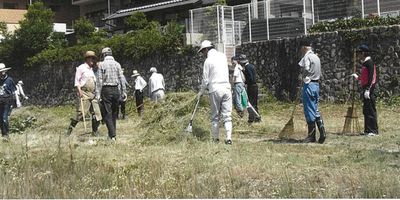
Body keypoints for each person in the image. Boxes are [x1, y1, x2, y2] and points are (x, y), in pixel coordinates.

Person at [197, 40, 233, 145]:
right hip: (226, 88)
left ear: (206, 49)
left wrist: (201, 91)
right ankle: (228, 138)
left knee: (215, 115)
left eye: (203, 52)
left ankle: (216, 139)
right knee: (227, 115)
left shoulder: (208, 61)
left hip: (215, 89)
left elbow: (205, 80)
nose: (203, 54)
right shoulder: (223, 56)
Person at [65, 51, 103, 137]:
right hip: (84, 93)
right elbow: (77, 81)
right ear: (86, 59)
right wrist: (79, 92)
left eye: (93, 58)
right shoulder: (81, 68)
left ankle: (95, 132)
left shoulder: (91, 70)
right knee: (81, 114)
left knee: (96, 113)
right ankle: (69, 131)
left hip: (93, 94)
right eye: (91, 58)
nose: (92, 60)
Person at [95, 47, 127, 141]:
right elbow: (121, 78)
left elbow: (99, 80)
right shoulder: (117, 64)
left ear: (104, 55)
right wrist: (123, 92)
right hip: (115, 89)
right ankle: (111, 134)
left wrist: (98, 93)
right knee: (114, 113)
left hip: (106, 89)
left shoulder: (102, 65)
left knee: (107, 113)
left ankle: (112, 135)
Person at [298, 40, 326, 144]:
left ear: (304, 48)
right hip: (316, 84)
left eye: (301, 48)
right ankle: (322, 131)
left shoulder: (307, 57)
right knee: (315, 109)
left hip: (309, 84)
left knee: (309, 110)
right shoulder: (316, 57)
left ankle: (311, 135)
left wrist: (305, 76)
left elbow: (306, 67)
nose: (300, 50)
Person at [351, 45, 379, 136]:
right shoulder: (365, 63)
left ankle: (373, 130)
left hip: (370, 90)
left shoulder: (370, 63)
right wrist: (358, 77)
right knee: (366, 111)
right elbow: (365, 78)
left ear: (363, 53)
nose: (359, 56)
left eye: (360, 53)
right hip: (365, 90)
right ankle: (367, 129)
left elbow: (371, 77)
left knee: (371, 110)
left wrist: (368, 89)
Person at [238, 54, 261, 123]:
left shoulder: (247, 67)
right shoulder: (250, 66)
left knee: (251, 103)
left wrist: (245, 82)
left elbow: (250, 78)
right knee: (254, 103)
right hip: (254, 86)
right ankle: (256, 117)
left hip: (251, 86)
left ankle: (252, 118)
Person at [0, 63, 17, 139]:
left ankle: (5, 134)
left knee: (4, 117)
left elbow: (14, 92)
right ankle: (3, 133)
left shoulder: (9, 80)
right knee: (0, 118)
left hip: (6, 101)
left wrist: (16, 102)